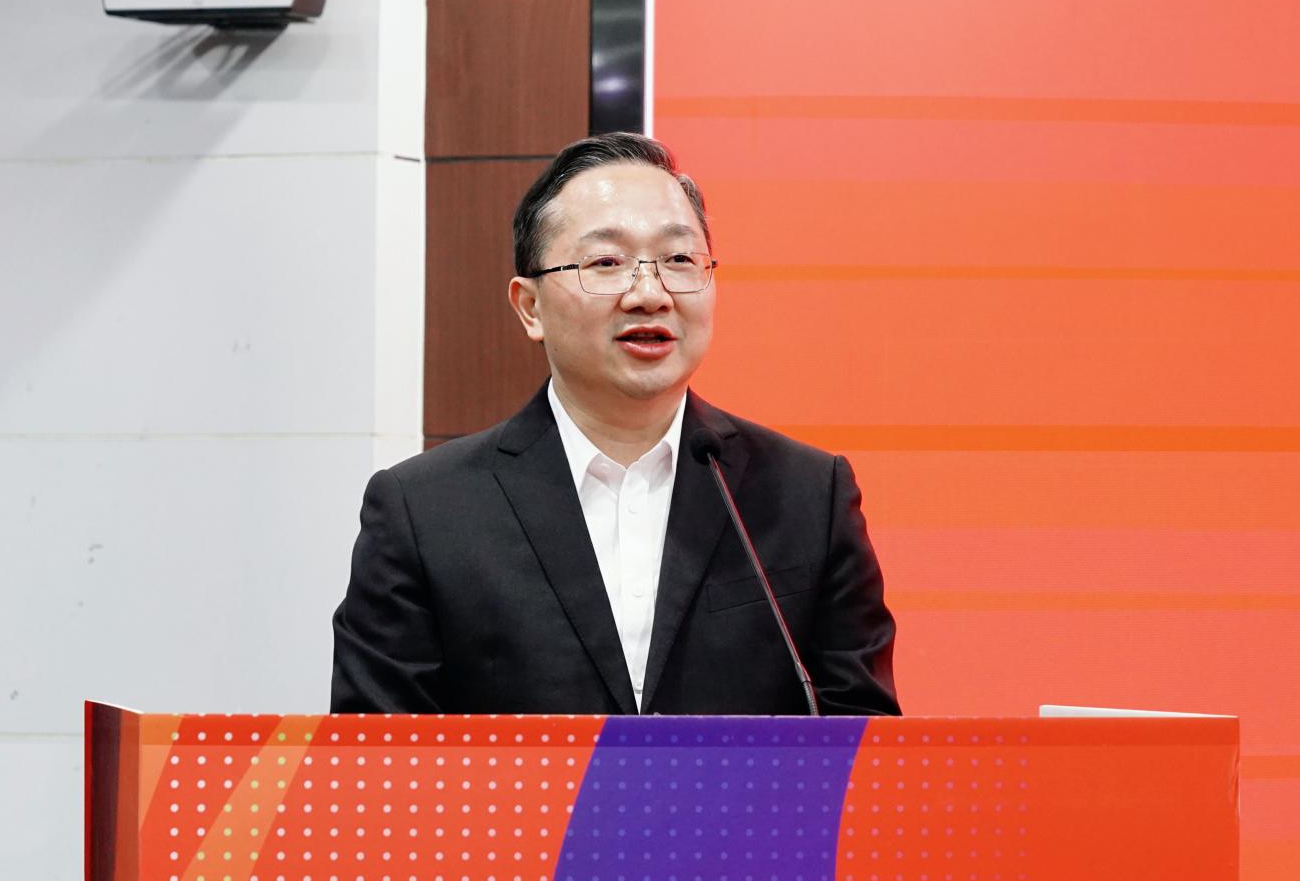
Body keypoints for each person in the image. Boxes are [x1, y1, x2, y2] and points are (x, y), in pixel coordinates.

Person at [330, 132, 897, 715]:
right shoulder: (425, 511)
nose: (650, 294)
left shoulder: (807, 495)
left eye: (679, 259)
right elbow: (379, 752)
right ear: (530, 307)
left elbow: (866, 740)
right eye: (606, 263)